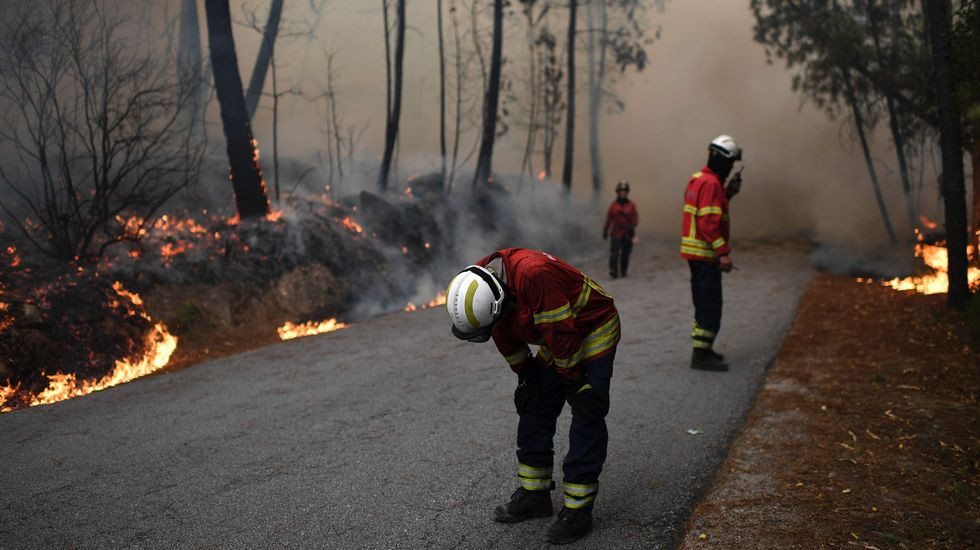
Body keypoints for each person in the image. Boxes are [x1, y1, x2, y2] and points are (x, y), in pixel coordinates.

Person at [445, 248, 620, 545]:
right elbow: (502, 330)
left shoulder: (535, 275)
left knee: (586, 411)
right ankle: (535, 495)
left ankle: (579, 510)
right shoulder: (481, 282)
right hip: (556, 336)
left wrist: (576, 383)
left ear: (500, 301)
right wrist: (525, 374)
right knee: (535, 405)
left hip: (591, 327)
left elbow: (562, 334)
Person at [680, 134, 743, 372]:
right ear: (723, 160)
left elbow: (707, 211)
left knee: (703, 303)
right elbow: (708, 223)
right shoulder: (712, 184)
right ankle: (701, 355)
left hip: (696, 255)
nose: (730, 168)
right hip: (706, 255)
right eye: (730, 163)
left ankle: (703, 349)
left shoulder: (699, 179)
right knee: (710, 304)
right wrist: (722, 253)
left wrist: (728, 195)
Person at [603, 181, 639, 279]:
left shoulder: (631, 205)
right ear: (618, 192)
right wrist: (605, 229)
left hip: (628, 233)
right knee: (614, 253)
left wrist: (633, 225)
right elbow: (609, 218)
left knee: (625, 253)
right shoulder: (613, 206)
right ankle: (613, 271)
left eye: (624, 191)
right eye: (621, 191)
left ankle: (623, 270)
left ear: (627, 192)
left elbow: (635, 217)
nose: (623, 192)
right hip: (616, 233)